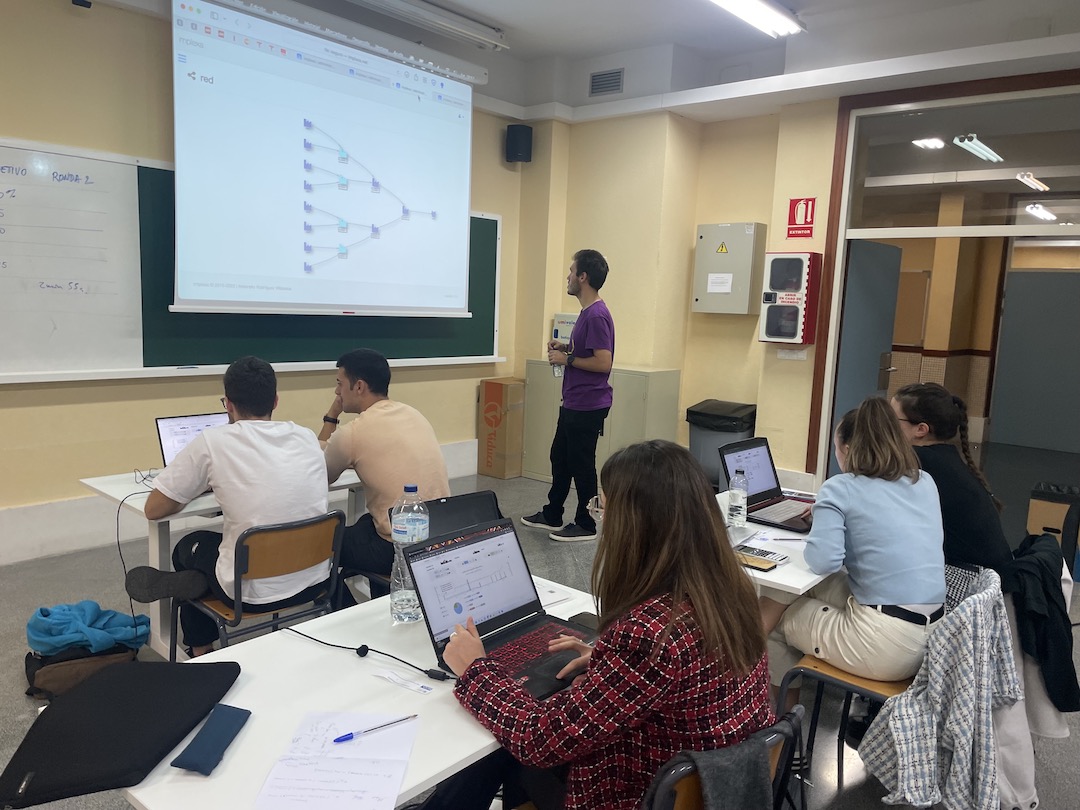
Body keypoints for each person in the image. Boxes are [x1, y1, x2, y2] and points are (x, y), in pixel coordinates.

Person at [420, 440, 774, 810]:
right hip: (716, 784)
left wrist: (476, 669)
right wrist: (607, 662)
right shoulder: (729, 591)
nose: (602, 520)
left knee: (503, 749)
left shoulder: (648, 636)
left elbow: (537, 740)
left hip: (637, 795)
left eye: (603, 507)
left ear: (634, 525)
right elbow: (681, 673)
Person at [125, 356, 330, 656]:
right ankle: (200, 586)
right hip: (314, 581)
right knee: (234, 544)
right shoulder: (306, 436)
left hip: (246, 595)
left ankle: (201, 648)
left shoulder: (212, 441)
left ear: (228, 404)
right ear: (275, 401)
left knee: (188, 547)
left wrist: (203, 483)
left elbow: (154, 509)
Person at [761, 398, 946, 697]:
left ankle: (778, 719)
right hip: (932, 635)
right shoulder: (923, 481)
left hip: (885, 647)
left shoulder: (840, 487)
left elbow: (823, 561)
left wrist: (826, 515)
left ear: (846, 449)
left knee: (780, 616)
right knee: (792, 591)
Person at [319, 348, 450, 601]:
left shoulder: (353, 433)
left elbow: (320, 472)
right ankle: (381, 597)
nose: (337, 392)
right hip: (439, 533)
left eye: (339, 384)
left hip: (396, 547)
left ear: (359, 386)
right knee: (364, 524)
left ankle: (344, 612)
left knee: (318, 545)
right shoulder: (413, 414)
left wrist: (331, 416)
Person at [521, 249, 615, 542]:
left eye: (571, 271)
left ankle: (586, 523)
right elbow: (588, 353)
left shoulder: (596, 315)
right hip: (574, 401)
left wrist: (568, 360)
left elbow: (604, 362)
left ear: (583, 277)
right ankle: (553, 513)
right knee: (560, 458)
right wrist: (566, 349)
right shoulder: (587, 313)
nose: (568, 276)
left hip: (588, 404)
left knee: (581, 464)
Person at [891, 382, 1012, 572]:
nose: (886, 426)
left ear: (921, 429)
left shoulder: (919, 461)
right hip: (995, 575)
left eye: (892, 419)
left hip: (973, 579)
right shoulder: (944, 456)